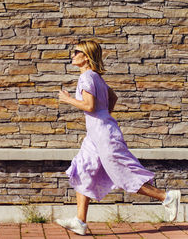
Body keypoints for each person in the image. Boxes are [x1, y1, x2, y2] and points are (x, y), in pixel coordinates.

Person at [56, 40, 181, 236]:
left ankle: (166, 197)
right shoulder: (95, 76)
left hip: (104, 135)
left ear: (86, 57)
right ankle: (80, 221)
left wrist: (68, 99)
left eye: (76, 52)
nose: (72, 55)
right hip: (96, 135)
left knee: (122, 173)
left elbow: (88, 106)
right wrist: (104, 116)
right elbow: (112, 97)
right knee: (83, 168)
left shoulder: (87, 77)